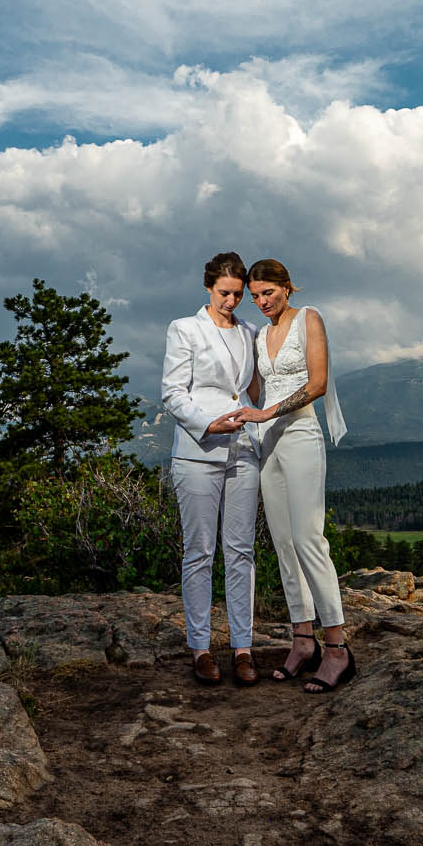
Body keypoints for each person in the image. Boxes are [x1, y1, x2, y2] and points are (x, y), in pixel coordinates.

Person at [233, 258, 354, 693]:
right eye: (255, 296)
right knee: (283, 543)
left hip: (301, 434)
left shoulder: (309, 319)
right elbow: (253, 386)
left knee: (308, 539)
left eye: (268, 293)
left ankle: (338, 648)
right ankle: (303, 640)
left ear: (287, 288)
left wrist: (267, 410)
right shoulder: (262, 334)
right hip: (269, 444)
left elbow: (317, 383)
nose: (262, 302)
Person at [160, 251, 263, 686]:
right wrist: (208, 422)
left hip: (243, 451)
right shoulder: (185, 328)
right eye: (224, 292)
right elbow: (172, 392)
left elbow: (255, 389)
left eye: (238, 294)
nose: (231, 301)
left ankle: (243, 647)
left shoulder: (250, 331)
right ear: (208, 287)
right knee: (199, 552)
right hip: (199, 450)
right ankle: (200, 649)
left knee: (241, 552)